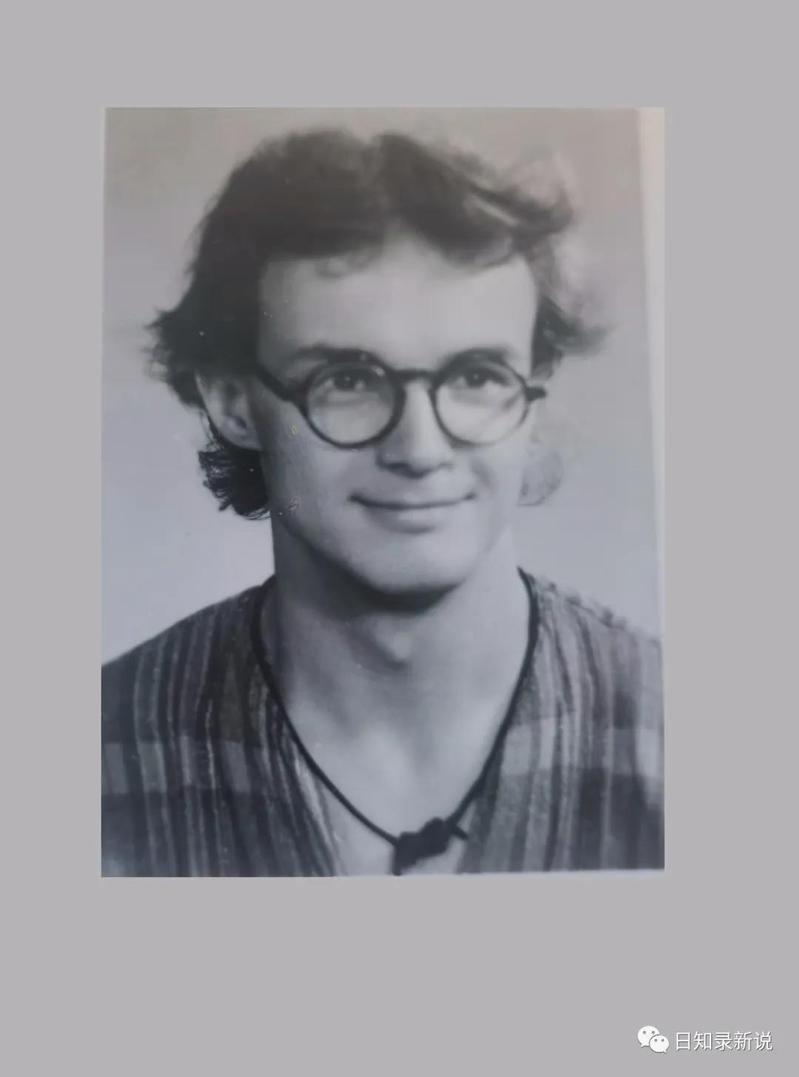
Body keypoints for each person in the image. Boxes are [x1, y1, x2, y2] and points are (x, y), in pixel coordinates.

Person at [102, 127, 663, 877]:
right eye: (347, 380)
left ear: (533, 392)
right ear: (233, 401)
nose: (420, 449)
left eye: (476, 376)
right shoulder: (102, 752)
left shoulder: (668, 731)